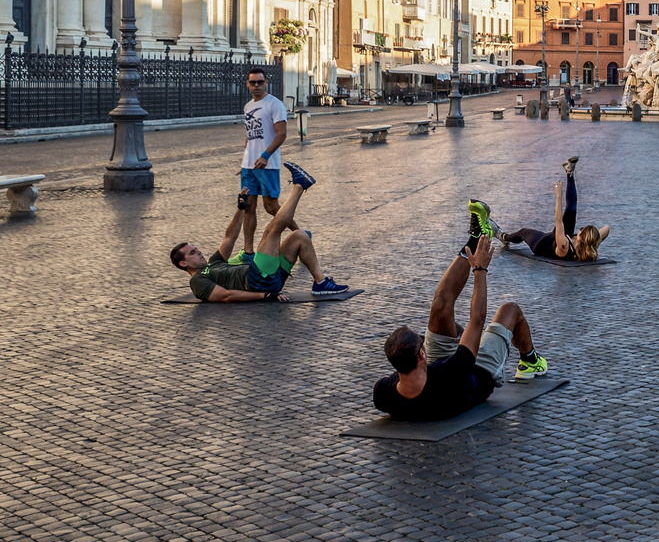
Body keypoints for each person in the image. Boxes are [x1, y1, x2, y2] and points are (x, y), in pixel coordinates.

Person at [373, 235, 549, 421]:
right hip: (479, 371)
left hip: (435, 367)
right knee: (510, 310)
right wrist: (480, 269)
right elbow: (477, 320)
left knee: (441, 306)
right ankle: (530, 361)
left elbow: (407, 370)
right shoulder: (452, 375)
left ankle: (475, 236)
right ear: (422, 355)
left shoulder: (383, 393)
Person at [170, 165, 347, 300]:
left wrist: (241, 207)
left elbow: (230, 237)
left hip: (267, 276)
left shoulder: (213, 263)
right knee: (271, 231)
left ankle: (321, 283)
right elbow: (226, 296)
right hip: (256, 281)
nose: (199, 252)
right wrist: (264, 295)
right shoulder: (197, 282)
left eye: (196, 249)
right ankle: (299, 185)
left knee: (299, 236)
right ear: (183, 263)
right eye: (192, 253)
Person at [494, 157, 610, 261]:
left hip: (541, 243)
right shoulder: (588, 245)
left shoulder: (564, 246)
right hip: (565, 237)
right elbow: (607, 229)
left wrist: (558, 195)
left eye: (581, 230)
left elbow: (558, 220)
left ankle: (503, 237)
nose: (579, 230)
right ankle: (569, 172)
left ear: (581, 237)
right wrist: (595, 241)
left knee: (523, 232)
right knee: (571, 208)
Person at [239, 68, 291, 252]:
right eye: (252, 82)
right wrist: (246, 160)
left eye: (260, 82)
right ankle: (248, 251)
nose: (256, 86)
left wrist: (265, 156)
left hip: (268, 165)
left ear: (266, 83)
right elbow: (250, 136)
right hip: (249, 166)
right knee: (248, 207)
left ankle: (299, 233)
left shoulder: (275, 105)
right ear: (247, 84)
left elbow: (282, 134)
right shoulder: (248, 106)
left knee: (270, 206)